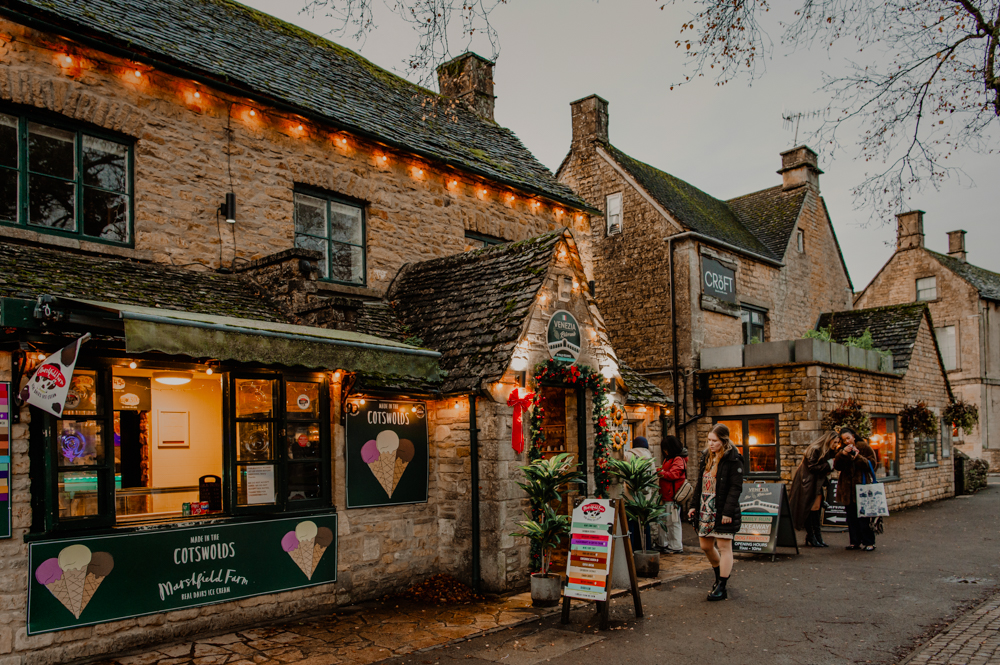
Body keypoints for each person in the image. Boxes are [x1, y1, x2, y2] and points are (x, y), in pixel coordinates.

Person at [688, 423, 744, 601]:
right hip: (705, 507)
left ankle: (722, 585)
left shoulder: (734, 459)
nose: (710, 444)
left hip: (722, 508)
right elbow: (699, 482)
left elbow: (736, 488)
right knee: (705, 546)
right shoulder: (706, 456)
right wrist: (693, 505)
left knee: (724, 547)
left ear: (724, 441)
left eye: (715, 441)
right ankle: (719, 576)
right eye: (709, 440)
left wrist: (727, 512)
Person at [788, 431, 840, 547]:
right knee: (810, 509)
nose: (836, 444)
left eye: (837, 442)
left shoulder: (827, 451)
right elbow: (812, 467)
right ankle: (812, 536)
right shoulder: (815, 449)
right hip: (808, 483)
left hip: (816, 483)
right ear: (828, 440)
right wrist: (829, 464)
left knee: (815, 509)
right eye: (835, 442)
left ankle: (816, 536)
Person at [833, 427, 878, 551]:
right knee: (851, 517)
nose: (847, 441)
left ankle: (869, 542)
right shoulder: (843, 450)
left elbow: (872, 465)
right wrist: (843, 454)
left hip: (862, 487)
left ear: (853, 436)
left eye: (848, 438)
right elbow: (837, 466)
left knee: (864, 517)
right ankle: (854, 542)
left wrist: (857, 457)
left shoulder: (863, 446)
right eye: (844, 440)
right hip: (847, 489)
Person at [656, 435, 686, 554]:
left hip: (672, 496)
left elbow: (674, 475)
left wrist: (660, 472)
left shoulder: (678, 459)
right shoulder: (668, 459)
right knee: (663, 521)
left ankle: (676, 545)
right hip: (664, 495)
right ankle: (663, 543)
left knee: (673, 522)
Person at [624, 436, 653, 553]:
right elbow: (654, 477)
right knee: (644, 524)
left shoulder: (628, 455)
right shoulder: (650, 457)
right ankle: (646, 548)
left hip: (630, 497)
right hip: (645, 499)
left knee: (630, 524)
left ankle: (631, 550)